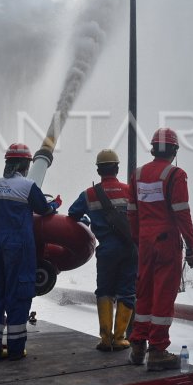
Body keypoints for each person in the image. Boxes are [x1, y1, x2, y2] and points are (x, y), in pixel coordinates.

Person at [127, 128, 193, 371]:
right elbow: (182, 211)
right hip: (167, 241)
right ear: (174, 151)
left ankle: (138, 345)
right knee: (164, 295)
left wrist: (138, 239)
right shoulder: (175, 174)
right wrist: (192, 245)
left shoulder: (137, 174)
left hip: (146, 241)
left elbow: (132, 212)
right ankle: (157, 350)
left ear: (152, 149)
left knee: (144, 291)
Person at [0, 143, 61, 362]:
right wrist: (55, 204)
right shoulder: (28, 185)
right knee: (18, 294)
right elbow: (43, 209)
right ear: (27, 164)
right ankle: (16, 350)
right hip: (19, 246)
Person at [67, 149, 135, 352]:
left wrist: (88, 220)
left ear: (98, 170)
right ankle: (120, 337)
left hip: (106, 251)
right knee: (127, 292)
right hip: (129, 249)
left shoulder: (89, 194)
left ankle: (105, 339)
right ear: (117, 168)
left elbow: (72, 213)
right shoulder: (129, 191)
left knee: (104, 291)